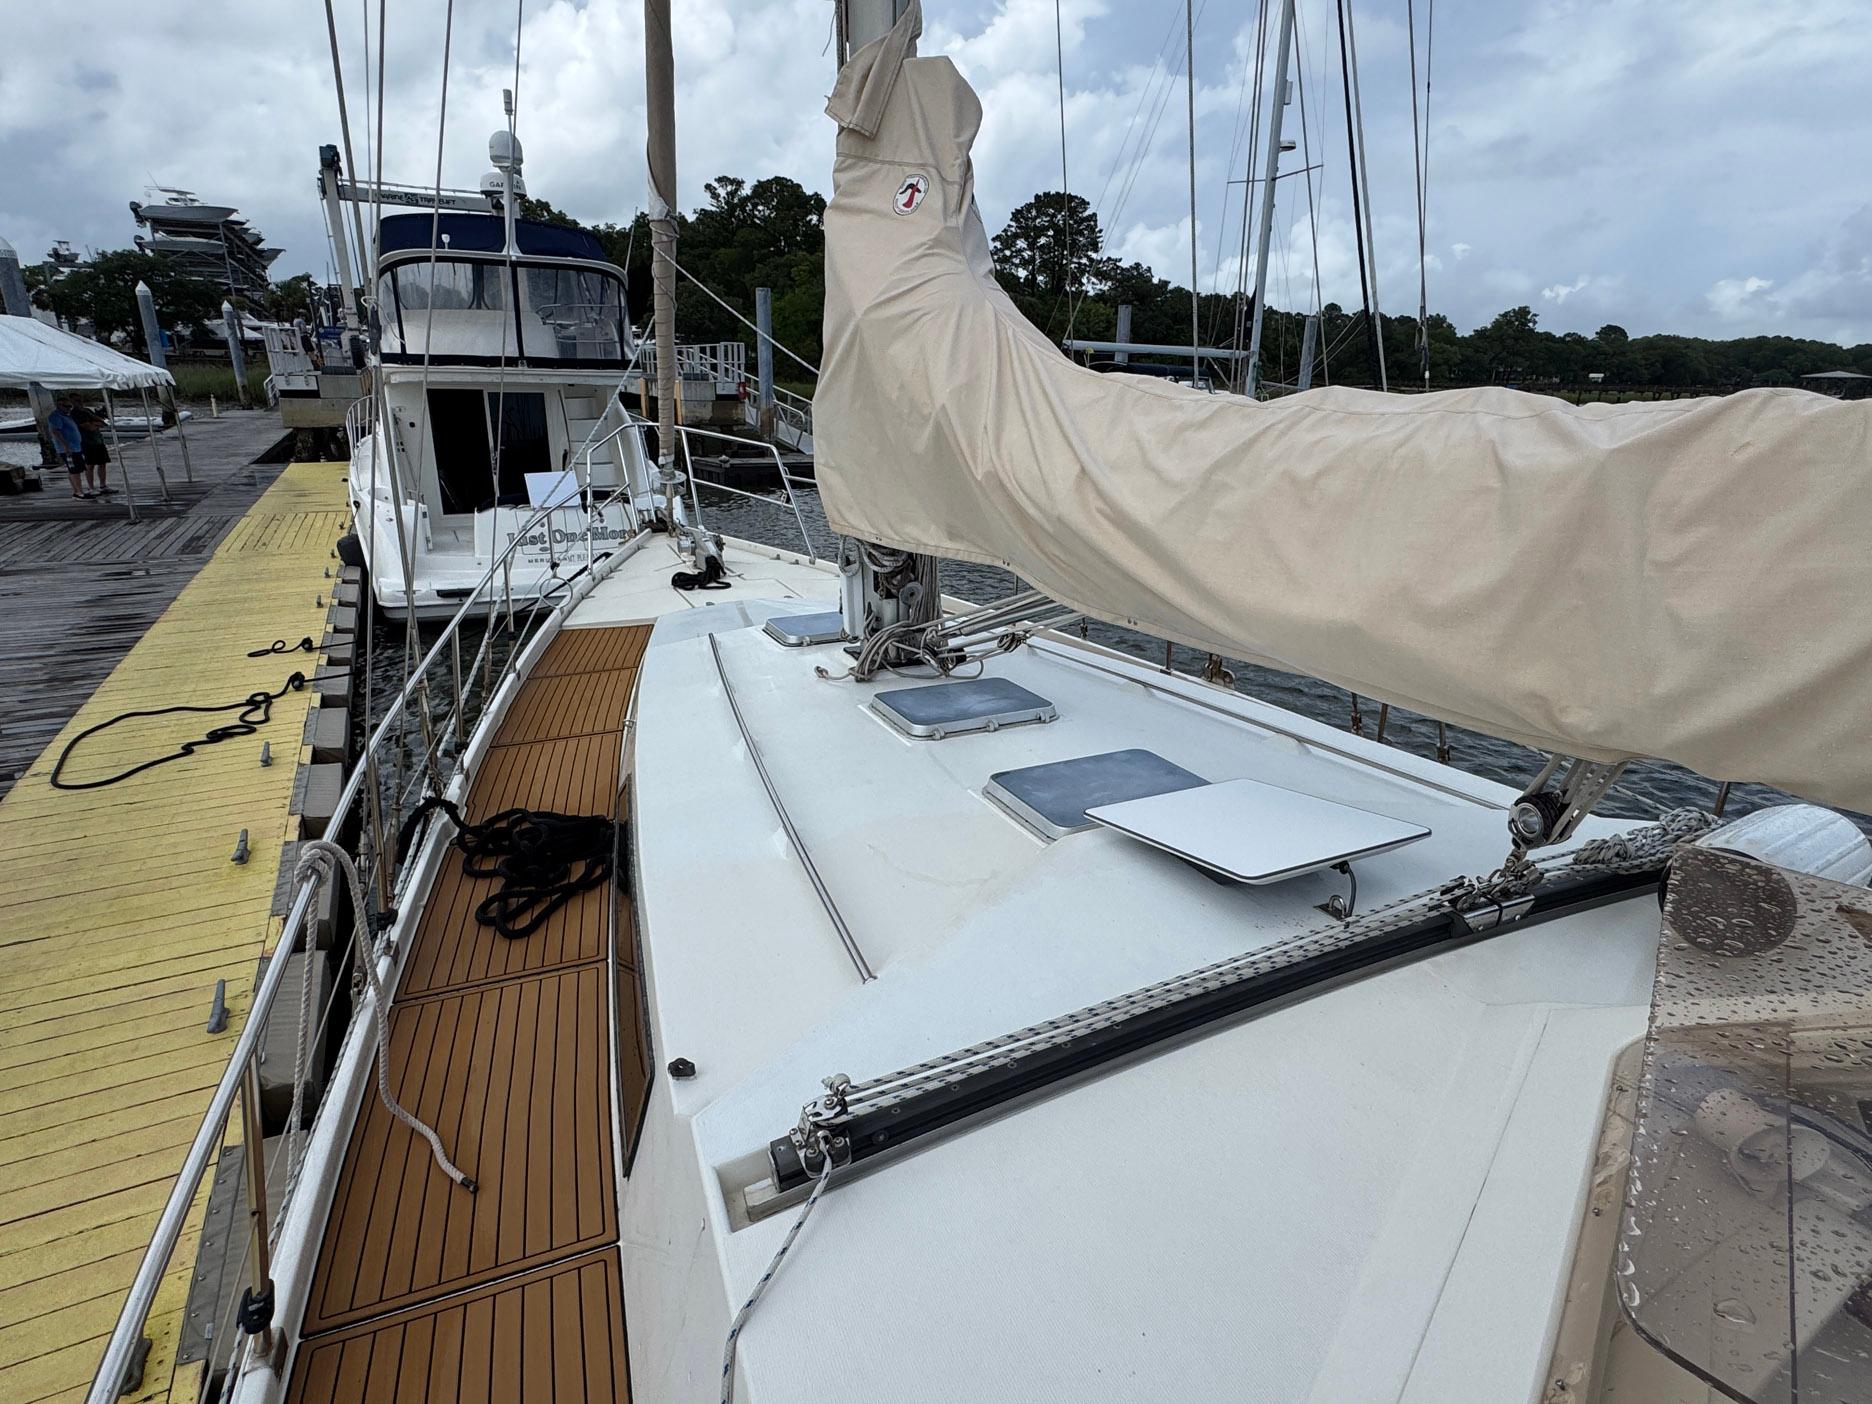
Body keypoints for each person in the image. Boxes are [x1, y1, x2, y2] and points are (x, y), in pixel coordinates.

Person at [47, 397, 88, 499]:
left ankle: (77, 491)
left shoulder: (67, 416)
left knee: (74, 469)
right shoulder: (56, 416)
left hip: (76, 447)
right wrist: (66, 446)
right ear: (59, 405)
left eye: (70, 406)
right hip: (69, 449)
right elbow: (55, 431)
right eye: (66, 406)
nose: (69, 408)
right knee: (74, 469)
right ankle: (79, 492)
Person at [72, 401, 115, 495]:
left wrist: (93, 422)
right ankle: (90, 487)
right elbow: (88, 427)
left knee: (102, 463)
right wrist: (93, 423)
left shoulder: (87, 411)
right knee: (90, 465)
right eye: (77, 400)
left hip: (98, 441)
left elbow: (103, 423)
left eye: (80, 400)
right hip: (87, 442)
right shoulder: (74, 414)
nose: (80, 403)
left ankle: (103, 485)